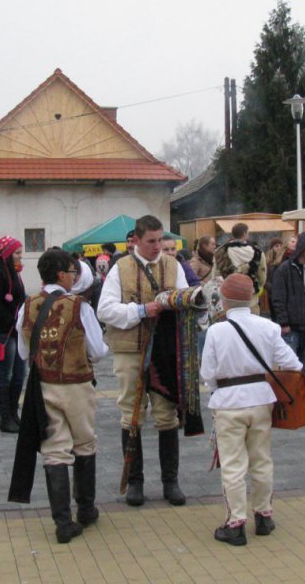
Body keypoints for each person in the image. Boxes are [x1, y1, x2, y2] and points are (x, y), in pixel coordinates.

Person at [11, 249, 110, 543]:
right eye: (71, 271)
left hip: (43, 386)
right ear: (60, 275)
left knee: (55, 449)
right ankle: (87, 510)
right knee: (84, 443)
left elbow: (21, 352)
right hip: (77, 386)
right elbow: (98, 350)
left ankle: (63, 522)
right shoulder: (80, 306)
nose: (74, 276)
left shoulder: (27, 305)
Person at [199, 274, 302, 546]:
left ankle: (235, 524)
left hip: (228, 402)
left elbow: (207, 373)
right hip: (261, 400)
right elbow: (294, 364)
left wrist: (218, 385)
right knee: (261, 459)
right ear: (251, 298)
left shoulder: (216, 330)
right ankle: (264, 516)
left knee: (233, 464)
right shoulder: (267, 327)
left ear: (223, 300)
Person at [97, 214, 189, 507]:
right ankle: (135, 482)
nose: (157, 246)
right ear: (136, 240)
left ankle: (170, 482)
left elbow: (186, 298)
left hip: (165, 351)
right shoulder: (120, 268)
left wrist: (186, 302)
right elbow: (105, 310)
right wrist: (141, 311)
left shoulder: (174, 266)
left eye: (160, 240)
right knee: (131, 414)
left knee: (167, 414)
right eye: (151, 241)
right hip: (130, 350)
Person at [0, 236, 27, 432]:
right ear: (7, 254)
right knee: (5, 374)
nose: (20, 257)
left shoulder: (15, 273)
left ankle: (13, 412)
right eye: (17, 253)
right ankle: (5, 417)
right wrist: (11, 321)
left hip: (17, 331)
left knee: (20, 374)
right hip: (4, 331)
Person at [270, 232, 305, 377]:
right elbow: (278, 298)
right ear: (302, 248)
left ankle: (303, 398)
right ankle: (288, 398)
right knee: (289, 369)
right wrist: (283, 322)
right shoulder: (284, 270)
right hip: (290, 327)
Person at [214, 223, 267, 314]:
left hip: (229, 302)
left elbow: (215, 276)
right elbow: (262, 277)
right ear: (245, 234)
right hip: (250, 300)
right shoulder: (258, 252)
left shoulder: (220, 251)